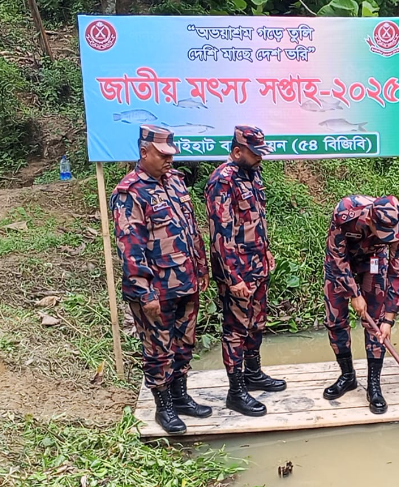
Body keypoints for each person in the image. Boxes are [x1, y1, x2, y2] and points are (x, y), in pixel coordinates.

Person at [111, 124, 212, 435]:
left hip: (186, 281)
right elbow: (131, 248)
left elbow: (192, 230)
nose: (170, 160)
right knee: (158, 349)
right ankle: (164, 406)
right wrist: (145, 293)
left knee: (184, 343)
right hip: (156, 289)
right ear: (144, 152)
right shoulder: (130, 192)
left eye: (172, 153)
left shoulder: (176, 183)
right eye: (163, 154)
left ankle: (180, 396)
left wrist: (202, 267)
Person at [205, 125, 285, 417]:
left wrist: (265, 251)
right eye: (255, 153)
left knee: (257, 323)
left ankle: (253, 373)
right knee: (236, 330)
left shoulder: (253, 174)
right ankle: (236, 392)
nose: (260, 158)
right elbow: (220, 234)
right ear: (237, 151)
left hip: (257, 264)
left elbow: (256, 220)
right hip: (237, 269)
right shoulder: (221, 181)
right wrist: (233, 277)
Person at [322, 195, 399, 414]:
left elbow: (397, 273)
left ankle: (374, 385)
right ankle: (347, 376)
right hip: (341, 263)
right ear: (370, 219)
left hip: (373, 262)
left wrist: (389, 318)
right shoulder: (346, 213)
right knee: (335, 320)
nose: (390, 237)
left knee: (376, 323)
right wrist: (353, 293)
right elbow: (336, 257)